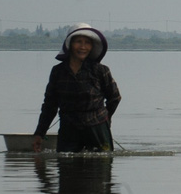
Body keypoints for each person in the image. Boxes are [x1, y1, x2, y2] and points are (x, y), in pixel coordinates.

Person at [33, 23, 121, 152]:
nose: (83, 47)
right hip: (69, 129)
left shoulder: (100, 70)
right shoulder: (58, 71)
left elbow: (115, 98)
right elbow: (49, 105)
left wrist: (105, 119)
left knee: (100, 168)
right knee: (67, 167)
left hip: (97, 128)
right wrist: (39, 133)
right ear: (70, 45)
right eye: (78, 42)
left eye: (87, 43)